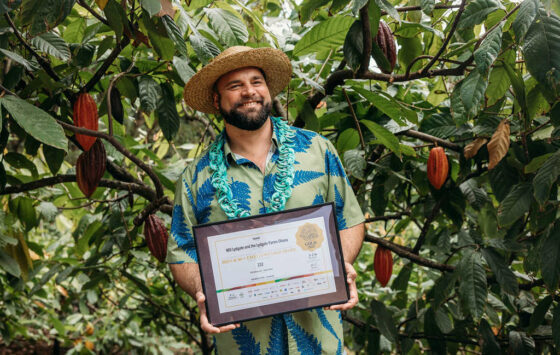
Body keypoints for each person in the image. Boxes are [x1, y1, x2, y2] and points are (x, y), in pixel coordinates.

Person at [167, 46, 365, 354]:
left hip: (318, 339)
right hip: (243, 342)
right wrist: (201, 289)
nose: (249, 92)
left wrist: (343, 262)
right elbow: (181, 252)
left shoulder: (317, 150)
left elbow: (348, 220)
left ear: (268, 90)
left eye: (256, 81)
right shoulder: (196, 178)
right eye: (235, 85)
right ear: (217, 100)